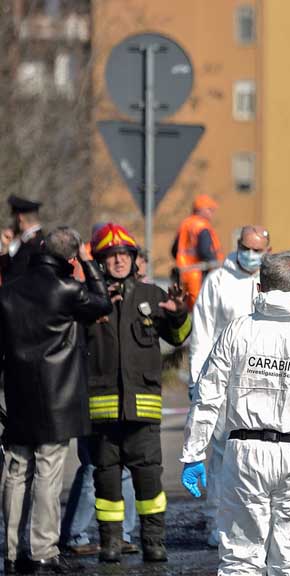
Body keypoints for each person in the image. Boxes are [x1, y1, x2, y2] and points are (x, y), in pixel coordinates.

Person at [181, 251, 290, 575]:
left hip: (246, 455)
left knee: (240, 561)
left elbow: (207, 397)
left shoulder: (237, 332)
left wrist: (194, 453)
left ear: (259, 288)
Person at [0, 227, 112, 574]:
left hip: (17, 394)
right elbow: (103, 302)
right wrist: (91, 266)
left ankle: (13, 551)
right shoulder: (68, 290)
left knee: (17, 473)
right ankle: (43, 550)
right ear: (71, 258)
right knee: (48, 474)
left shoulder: (9, 291)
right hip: (56, 398)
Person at [86, 223, 191, 563]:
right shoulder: (89, 299)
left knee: (149, 479)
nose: (118, 261)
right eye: (111, 256)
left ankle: (153, 541)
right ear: (101, 261)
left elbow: (178, 339)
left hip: (142, 408)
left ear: (134, 259)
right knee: (107, 482)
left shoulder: (152, 296)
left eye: (124, 255)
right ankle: (111, 543)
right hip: (102, 410)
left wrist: (179, 316)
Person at [188, 224, 271, 548]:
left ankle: (255, 522)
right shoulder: (218, 282)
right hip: (223, 379)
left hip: (260, 381)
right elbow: (202, 334)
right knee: (222, 453)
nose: (251, 255)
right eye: (246, 248)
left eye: (258, 249)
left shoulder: (269, 282)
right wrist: (198, 380)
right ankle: (217, 522)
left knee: (258, 454)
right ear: (237, 246)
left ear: (267, 249)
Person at [172, 194, 223, 309]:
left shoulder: (185, 224)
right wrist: (216, 268)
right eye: (210, 210)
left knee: (187, 307)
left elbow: (175, 250)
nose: (212, 213)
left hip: (184, 273)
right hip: (200, 275)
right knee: (201, 308)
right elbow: (206, 252)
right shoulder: (202, 226)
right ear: (201, 209)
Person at [0, 194, 44, 283]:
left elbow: (11, 279)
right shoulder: (37, 239)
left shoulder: (32, 244)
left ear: (20, 217)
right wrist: (5, 248)